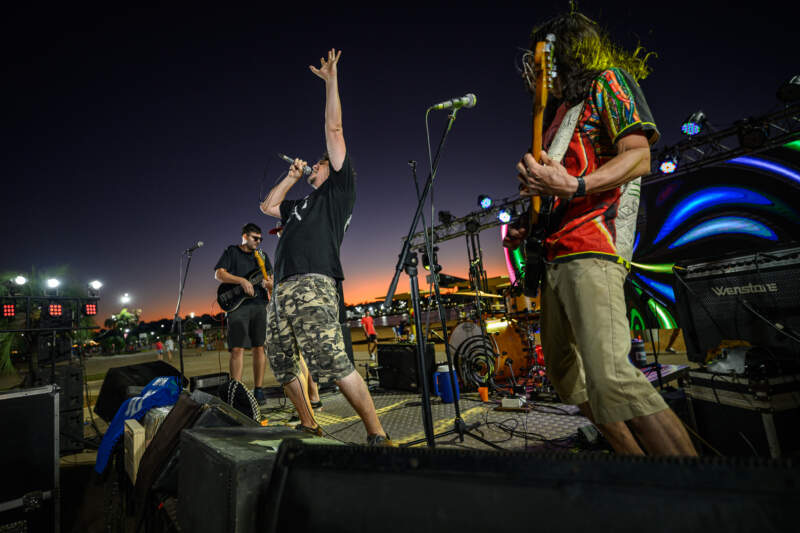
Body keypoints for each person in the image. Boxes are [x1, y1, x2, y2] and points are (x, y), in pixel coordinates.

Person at [504, 11, 696, 456]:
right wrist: (527, 225)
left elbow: (639, 156)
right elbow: (556, 188)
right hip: (554, 255)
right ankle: (636, 463)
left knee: (612, 377)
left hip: (592, 246)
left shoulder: (608, 82)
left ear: (565, 51)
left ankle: (700, 486)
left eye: (541, 56)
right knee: (566, 377)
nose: (534, 68)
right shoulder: (557, 116)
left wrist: (575, 185)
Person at [260, 48, 390, 445]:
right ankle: (308, 423)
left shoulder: (338, 191)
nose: (313, 167)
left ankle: (377, 434)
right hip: (282, 289)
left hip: (314, 282)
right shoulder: (301, 204)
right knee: (282, 362)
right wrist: (291, 176)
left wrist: (331, 80)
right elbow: (268, 207)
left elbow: (334, 130)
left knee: (331, 359)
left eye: (317, 165)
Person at [214, 223, 273, 405]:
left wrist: (270, 285)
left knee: (259, 347)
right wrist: (241, 281)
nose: (258, 241)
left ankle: (259, 390)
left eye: (260, 239)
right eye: (255, 238)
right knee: (237, 348)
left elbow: (270, 280)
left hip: (260, 304)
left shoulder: (262, 256)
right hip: (238, 306)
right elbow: (219, 274)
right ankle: (236, 393)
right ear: (245, 236)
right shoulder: (232, 252)